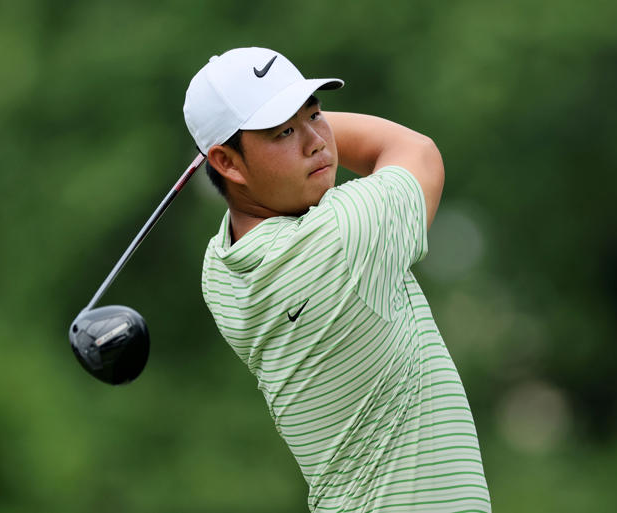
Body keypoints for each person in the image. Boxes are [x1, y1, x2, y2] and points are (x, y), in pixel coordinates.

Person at [183, 47, 491, 512]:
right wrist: (305, 123)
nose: (316, 142)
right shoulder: (342, 238)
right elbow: (416, 152)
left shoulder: (220, 270)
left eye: (316, 114)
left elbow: (277, 170)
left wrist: (254, 136)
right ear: (227, 163)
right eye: (284, 131)